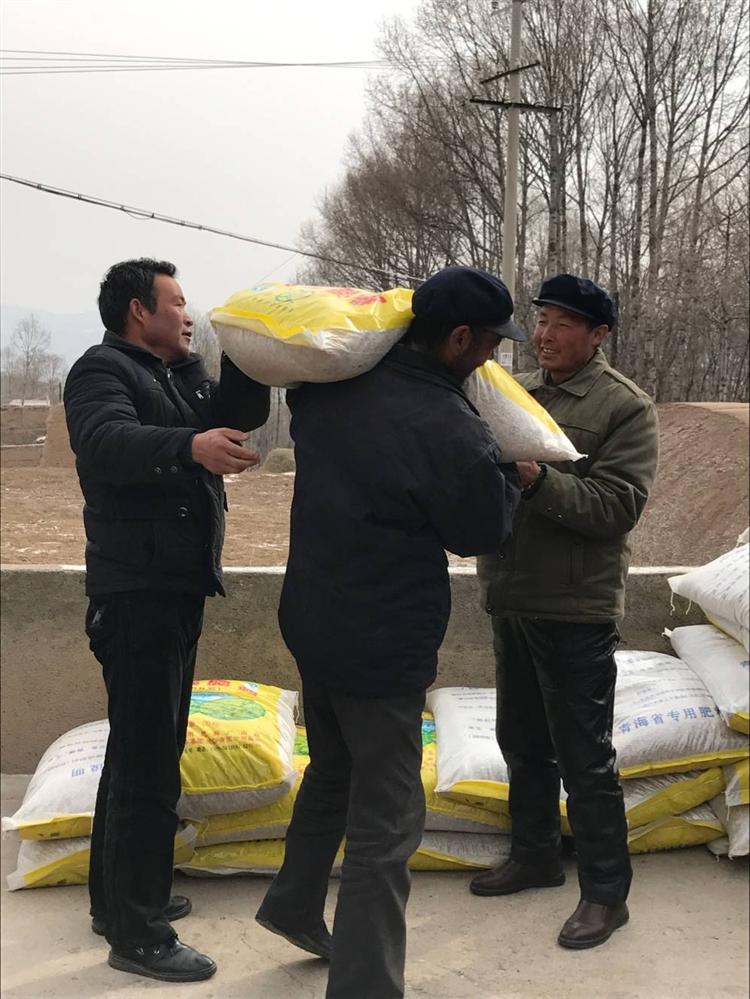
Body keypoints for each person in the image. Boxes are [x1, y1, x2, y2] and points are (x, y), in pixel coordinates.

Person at [255, 266, 525, 998]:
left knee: (333, 768)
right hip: (382, 643)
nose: (492, 359)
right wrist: (513, 475)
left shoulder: (332, 389)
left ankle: (294, 904)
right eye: (490, 344)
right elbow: (480, 531)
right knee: (388, 819)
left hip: (314, 620)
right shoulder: (449, 426)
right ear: (459, 339)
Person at [64, 258, 269, 983]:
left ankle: (115, 900)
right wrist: (188, 446)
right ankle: (139, 933)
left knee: (139, 752)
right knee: (148, 764)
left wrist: (245, 348)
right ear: (136, 311)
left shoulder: (177, 376)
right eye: (176, 303)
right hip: (136, 593)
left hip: (173, 588)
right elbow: (104, 441)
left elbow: (236, 415)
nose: (187, 314)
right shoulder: (102, 371)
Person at [471, 273, 659, 949]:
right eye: (542, 321)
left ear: (598, 334)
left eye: (563, 324)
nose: (545, 335)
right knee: (522, 740)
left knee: (585, 756)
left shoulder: (624, 407)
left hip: (576, 606)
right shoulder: (517, 391)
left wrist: (536, 477)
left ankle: (607, 894)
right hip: (513, 593)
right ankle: (535, 855)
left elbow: (617, 507)